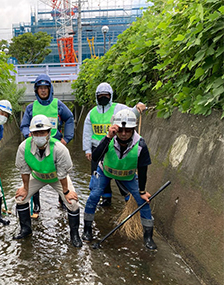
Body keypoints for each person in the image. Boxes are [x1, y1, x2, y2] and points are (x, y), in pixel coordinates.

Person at [82, 109, 156, 249]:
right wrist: (108, 137)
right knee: (94, 196)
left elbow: (143, 169)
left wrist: (142, 190)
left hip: (127, 176)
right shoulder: (108, 139)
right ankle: (87, 230)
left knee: (143, 202)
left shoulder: (141, 145)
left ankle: (148, 237)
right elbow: (96, 157)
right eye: (120, 130)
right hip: (106, 172)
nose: (123, 134)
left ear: (133, 129)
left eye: (127, 130)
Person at [14, 114, 82, 247]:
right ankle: (26, 229)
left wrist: (66, 191)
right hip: (38, 176)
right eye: (36, 133)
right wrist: (25, 188)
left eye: (43, 132)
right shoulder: (23, 147)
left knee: (72, 203)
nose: (39, 135)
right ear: (31, 133)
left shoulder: (60, 149)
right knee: (20, 198)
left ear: (49, 133)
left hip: (57, 177)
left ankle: (74, 235)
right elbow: (24, 170)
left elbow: (63, 174)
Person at [82, 82, 146, 207]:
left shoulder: (119, 108)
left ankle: (129, 199)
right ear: (97, 96)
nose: (103, 97)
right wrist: (87, 150)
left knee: (118, 171)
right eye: (101, 96)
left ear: (110, 95)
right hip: (98, 148)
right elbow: (87, 132)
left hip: (115, 146)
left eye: (106, 95)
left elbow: (132, 114)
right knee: (99, 175)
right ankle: (106, 199)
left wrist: (139, 107)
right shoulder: (92, 113)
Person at [20, 74, 75, 214]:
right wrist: (29, 135)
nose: (43, 91)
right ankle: (36, 204)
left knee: (60, 171)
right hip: (36, 145)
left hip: (54, 146)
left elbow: (69, 119)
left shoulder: (58, 105)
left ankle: (62, 198)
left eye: (46, 88)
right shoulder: (31, 107)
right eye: (40, 88)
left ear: (50, 89)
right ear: (36, 90)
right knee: (36, 171)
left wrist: (67, 139)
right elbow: (24, 125)